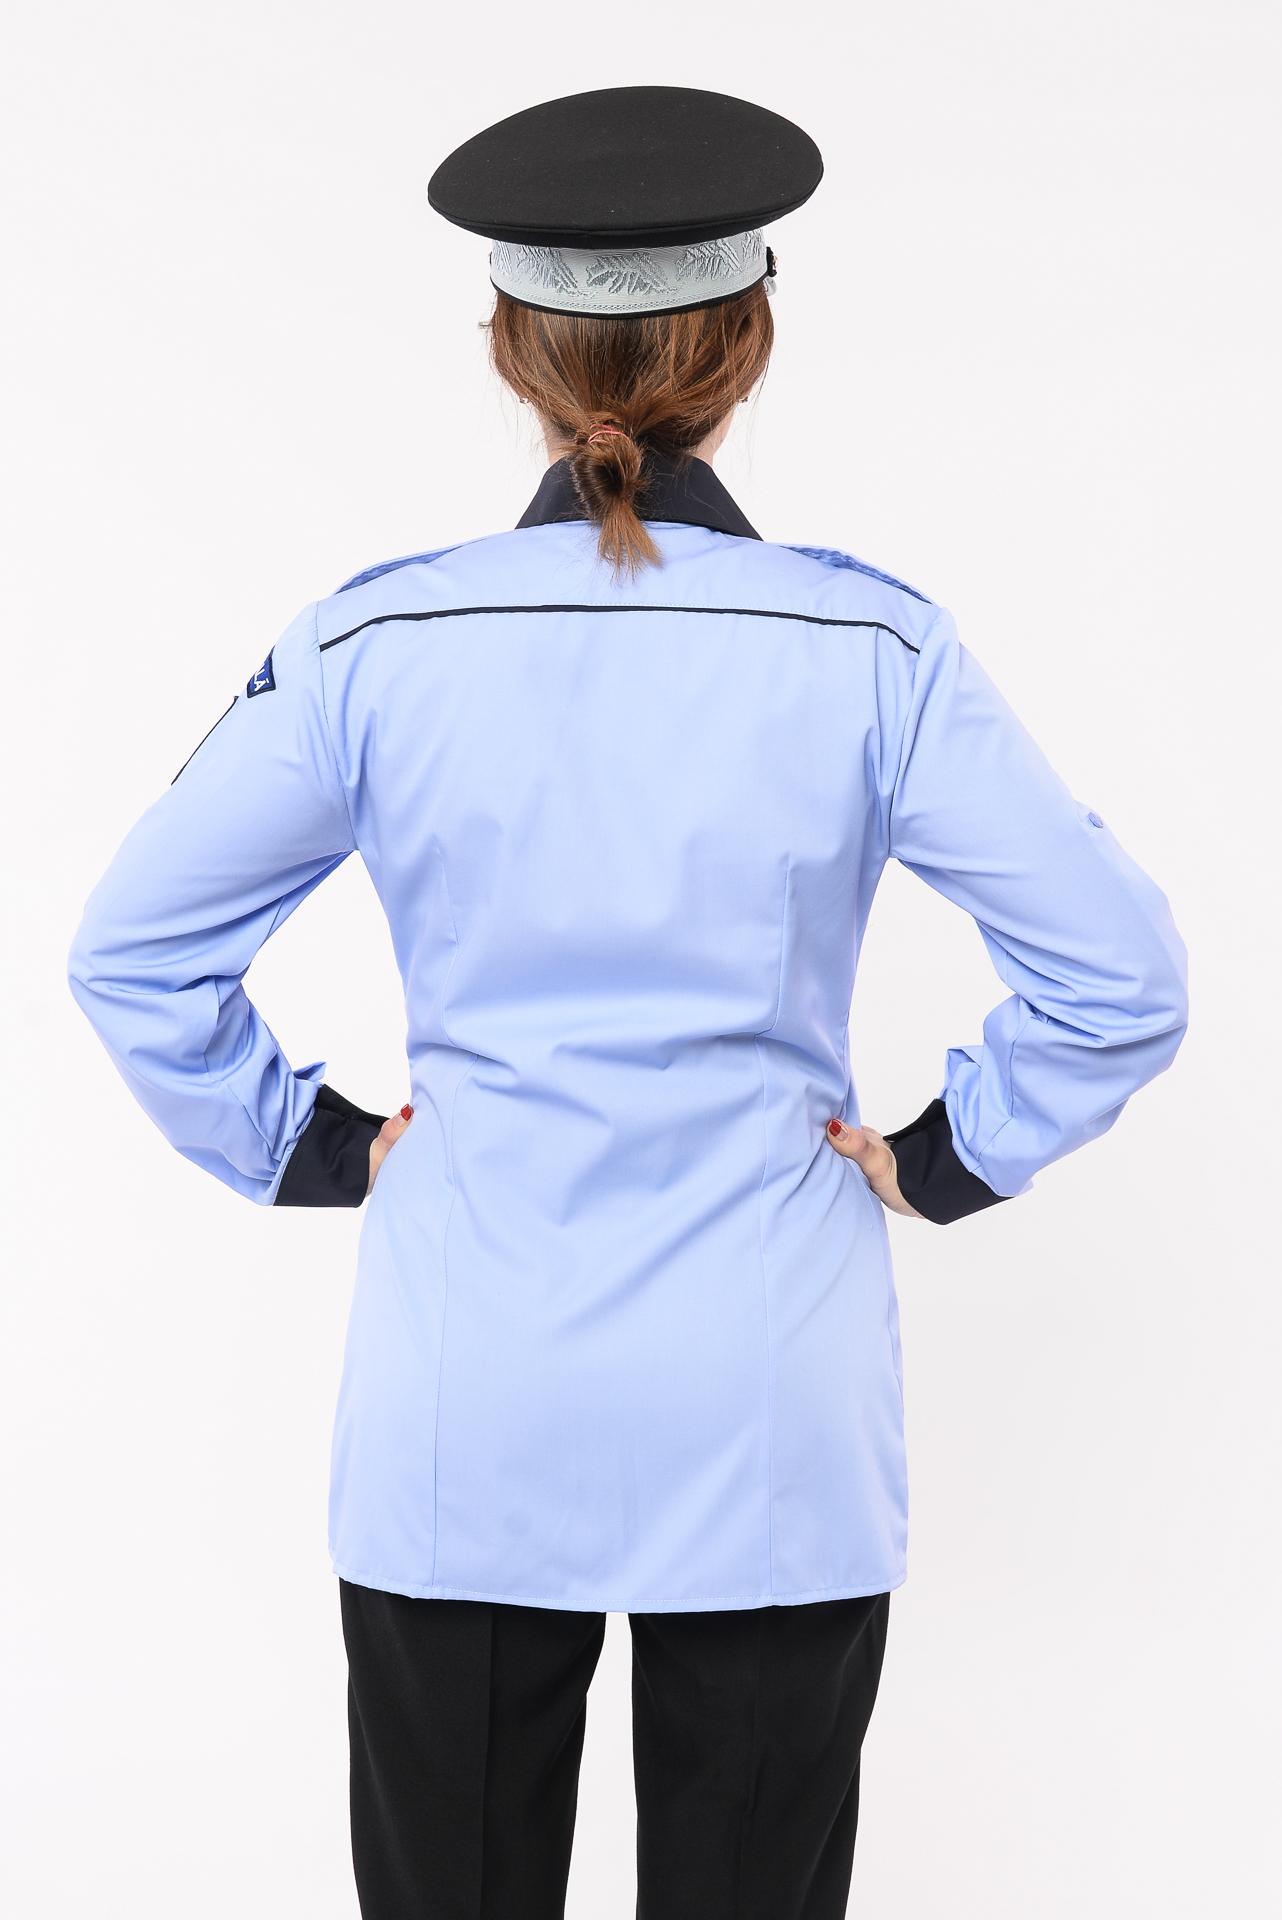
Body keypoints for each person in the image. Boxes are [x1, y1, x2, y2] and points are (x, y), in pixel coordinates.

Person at [68, 85, 1188, 1920]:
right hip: (767, 1397)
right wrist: (943, 1156)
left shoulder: (373, 640)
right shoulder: (871, 643)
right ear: (747, 348)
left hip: (466, 1391)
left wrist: (313, 1145)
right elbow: (1120, 975)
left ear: (507, 351)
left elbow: (130, 949)